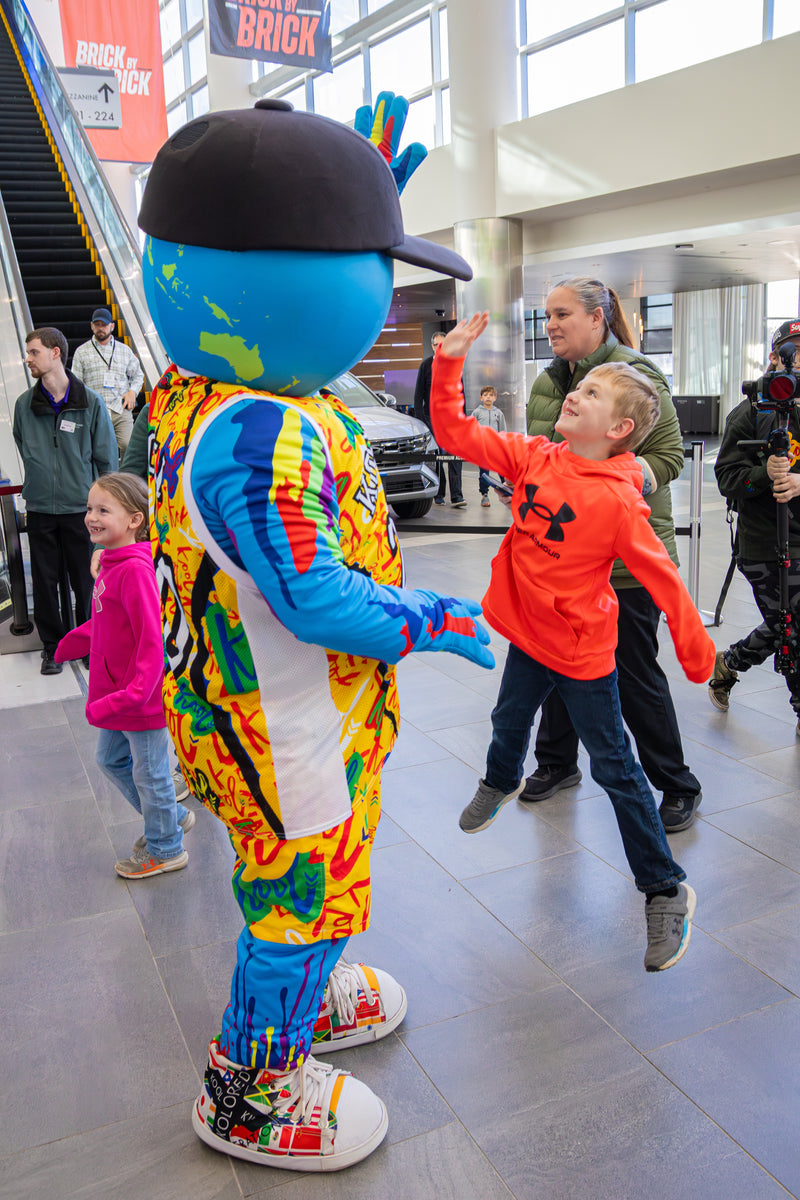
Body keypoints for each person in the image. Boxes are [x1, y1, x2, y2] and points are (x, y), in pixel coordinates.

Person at [137, 99, 493, 1170]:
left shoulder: (195, 389)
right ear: (308, 275)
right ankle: (249, 1087)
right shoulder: (256, 430)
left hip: (248, 703)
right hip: (285, 723)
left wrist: (340, 186)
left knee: (319, 868)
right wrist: (435, 616)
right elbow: (319, 599)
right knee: (298, 887)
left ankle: (310, 988)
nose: (381, 290)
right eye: (369, 260)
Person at [431, 312, 716, 972]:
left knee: (616, 768)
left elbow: (659, 574)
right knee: (507, 718)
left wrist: (693, 642)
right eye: (576, 388)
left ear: (617, 430)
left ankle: (666, 889)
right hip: (529, 633)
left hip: (583, 651)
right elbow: (454, 431)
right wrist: (448, 364)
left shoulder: (617, 502)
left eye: (590, 394)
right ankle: (500, 781)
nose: (572, 394)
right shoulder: (535, 456)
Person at [523, 277, 703, 833]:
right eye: (546, 315)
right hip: (558, 558)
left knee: (631, 672)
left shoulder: (634, 376)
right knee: (554, 661)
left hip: (622, 562)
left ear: (597, 318)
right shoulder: (550, 380)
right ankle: (557, 762)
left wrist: (610, 485)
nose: (550, 325)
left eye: (561, 314)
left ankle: (676, 784)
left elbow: (668, 455)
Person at [54, 473, 193, 876]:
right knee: (111, 760)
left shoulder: (134, 571)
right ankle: (170, 816)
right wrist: (72, 643)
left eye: (103, 510)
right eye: (89, 509)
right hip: (117, 692)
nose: (91, 517)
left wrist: (134, 693)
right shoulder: (112, 564)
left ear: (134, 520)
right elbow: (109, 621)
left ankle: (166, 846)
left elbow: (152, 640)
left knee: (150, 775)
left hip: (137, 698)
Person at [710, 320, 800, 723]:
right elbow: (727, 480)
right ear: (776, 356)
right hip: (765, 543)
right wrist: (767, 472)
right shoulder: (751, 411)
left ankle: (731, 662)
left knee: (788, 624)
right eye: (794, 350)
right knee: (792, 629)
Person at [13, 327, 118, 675]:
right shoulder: (24, 406)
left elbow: (106, 461)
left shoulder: (91, 403)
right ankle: (53, 647)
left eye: (33, 352)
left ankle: (90, 643)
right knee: (44, 581)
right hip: (41, 509)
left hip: (81, 512)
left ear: (55, 353)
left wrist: (105, 511)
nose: (27, 359)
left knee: (85, 580)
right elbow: (22, 443)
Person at [70, 307, 144, 458]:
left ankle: (124, 480)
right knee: (97, 451)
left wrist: (133, 392)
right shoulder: (81, 352)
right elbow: (76, 383)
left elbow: (138, 375)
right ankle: (101, 480)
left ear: (112, 326)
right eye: (97, 325)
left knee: (128, 446)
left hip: (120, 407)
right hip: (94, 410)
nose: (100, 328)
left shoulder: (125, 350)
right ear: (91, 326)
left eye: (104, 325)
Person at [414, 330, 466, 507]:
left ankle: (457, 496)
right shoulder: (426, 365)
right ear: (432, 346)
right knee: (437, 459)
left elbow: (461, 393)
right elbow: (418, 394)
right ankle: (439, 494)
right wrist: (421, 420)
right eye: (438, 345)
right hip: (431, 419)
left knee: (454, 458)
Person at [470, 386, 506, 506]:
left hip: (496, 448)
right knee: (484, 472)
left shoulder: (499, 413)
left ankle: (507, 492)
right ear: (481, 398)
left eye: (490, 395)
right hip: (482, 448)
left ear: (495, 398)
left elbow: (503, 432)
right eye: (485, 395)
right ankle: (484, 495)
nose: (488, 397)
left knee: (502, 470)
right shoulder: (476, 412)